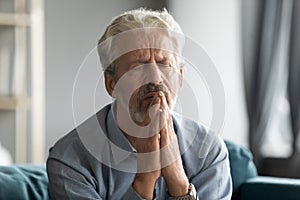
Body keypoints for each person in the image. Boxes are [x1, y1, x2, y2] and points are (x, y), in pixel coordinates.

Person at [47, 8, 232, 200]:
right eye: (138, 66)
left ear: (180, 78)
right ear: (111, 84)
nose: (154, 78)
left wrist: (178, 182)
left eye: (164, 64)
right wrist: (144, 180)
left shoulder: (209, 150)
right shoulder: (70, 160)